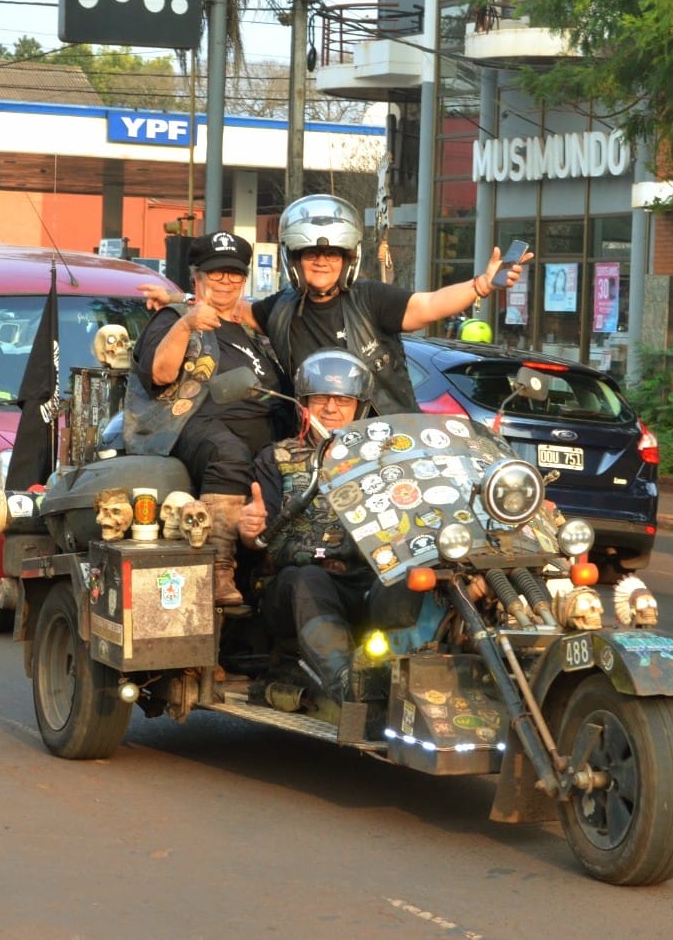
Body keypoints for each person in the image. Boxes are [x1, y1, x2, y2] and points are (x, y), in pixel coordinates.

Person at [140, 193, 531, 415]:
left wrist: (480, 285)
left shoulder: (371, 299)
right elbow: (231, 305)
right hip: (318, 442)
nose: (322, 262)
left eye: (333, 255)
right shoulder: (279, 309)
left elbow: (427, 305)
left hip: (388, 436)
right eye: (311, 254)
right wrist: (180, 299)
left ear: (349, 259)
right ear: (294, 260)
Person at [124, 231, 292, 605]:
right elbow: (160, 375)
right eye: (216, 274)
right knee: (228, 452)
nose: (226, 282)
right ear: (197, 277)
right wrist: (185, 324)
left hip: (263, 433)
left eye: (234, 274)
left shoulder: (250, 329)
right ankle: (218, 566)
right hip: (191, 426)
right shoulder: (173, 318)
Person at [237, 349, 377, 707]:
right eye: (320, 398)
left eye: (343, 399)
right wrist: (249, 528)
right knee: (308, 578)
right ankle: (350, 689)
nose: (331, 408)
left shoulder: (385, 459)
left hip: (367, 581)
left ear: (359, 406)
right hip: (297, 588)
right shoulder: (276, 458)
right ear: (304, 404)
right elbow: (257, 538)